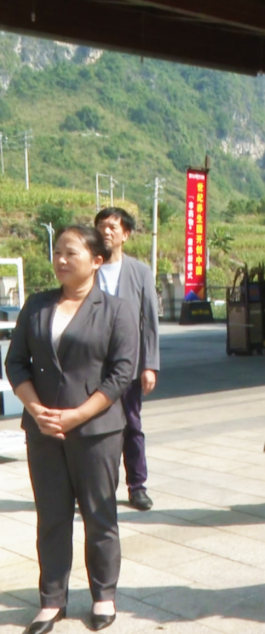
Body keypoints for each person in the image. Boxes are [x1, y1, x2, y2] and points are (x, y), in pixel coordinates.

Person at [5, 225, 139, 634]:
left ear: (96, 261)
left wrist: (78, 414)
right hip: (43, 431)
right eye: (57, 252)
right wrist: (36, 409)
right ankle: (51, 600)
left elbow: (121, 374)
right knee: (51, 517)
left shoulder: (115, 310)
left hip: (96, 432)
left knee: (100, 515)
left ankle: (104, 595)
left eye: (71, 253)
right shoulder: (37, 305)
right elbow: (16, 363)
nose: (61, 260)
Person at [94, 208, 161, 511]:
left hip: (129, 366)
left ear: (126, 235)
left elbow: (150, 321)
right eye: (101, 226)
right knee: (96, 431)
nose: (106, 231)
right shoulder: (88, 268)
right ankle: (100, 490)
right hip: (94, 366)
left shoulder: (140, 272)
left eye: (112, 227)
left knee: (131, 426)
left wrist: (149, 365)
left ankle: (138, 486)